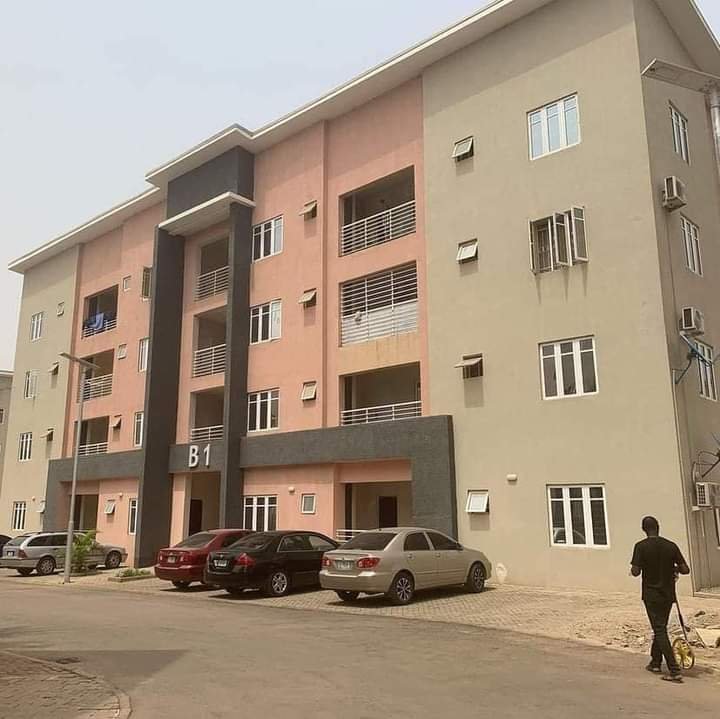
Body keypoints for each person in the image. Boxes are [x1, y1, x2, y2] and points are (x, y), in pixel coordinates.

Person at [630, 516, 690, 683]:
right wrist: (673, 568)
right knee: (660, 627)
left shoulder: (640, 546)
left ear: (644, 529)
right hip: (668, 595)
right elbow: (685, 569)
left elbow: (635, 572)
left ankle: (674, 670)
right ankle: (655, 662)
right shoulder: (671, 546)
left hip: (651, 595)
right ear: (658, 527)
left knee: (659, 630)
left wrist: (641, 567)